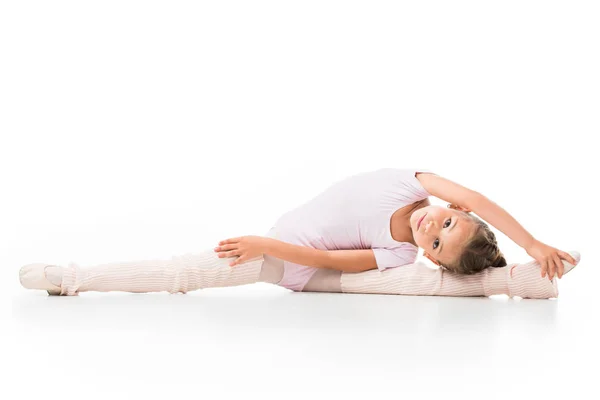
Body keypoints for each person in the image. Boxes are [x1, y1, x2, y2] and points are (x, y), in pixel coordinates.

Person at [19, 168, 580, 299]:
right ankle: (518, 275)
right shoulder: (409, 182)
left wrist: (263, 248)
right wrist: (532, 243)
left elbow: (321, 259)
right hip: (301, 260)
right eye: (449, 220)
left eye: (436, 243)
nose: (433, 228)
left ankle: (73, 279)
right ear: (454, 204)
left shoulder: (396, 249)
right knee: (408, 282)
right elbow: (480, 200)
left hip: (301, 268)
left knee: (182, 271)